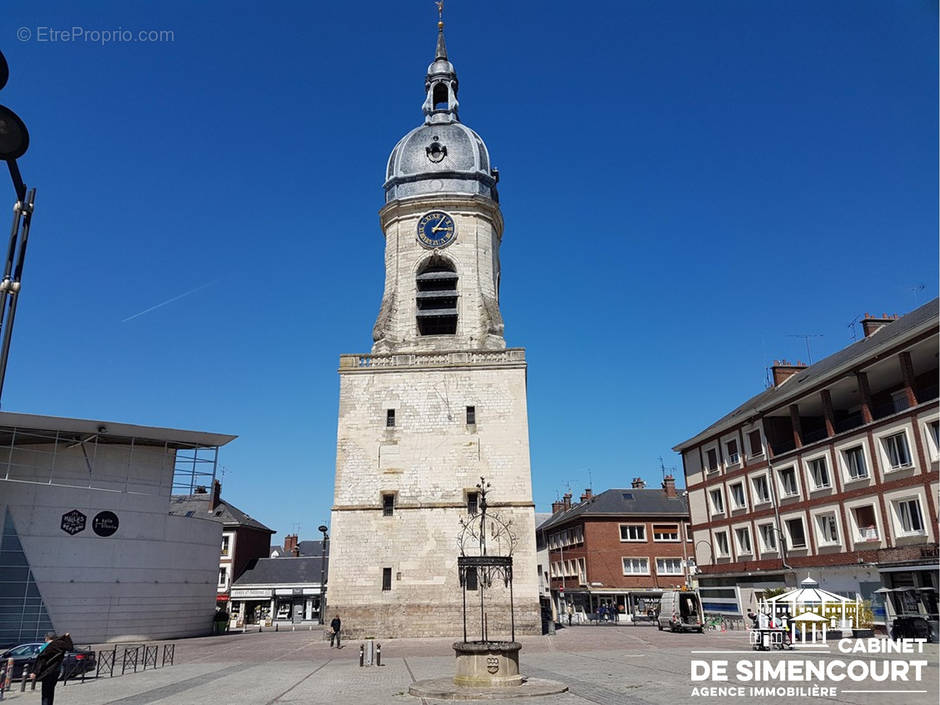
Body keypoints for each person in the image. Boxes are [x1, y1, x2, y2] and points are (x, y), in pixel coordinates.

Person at [30, 631, 73, 705]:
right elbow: (70, 647)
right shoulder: (60, 645)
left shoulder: (45, 646)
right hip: (56, 670)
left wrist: (35, 672)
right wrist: (67, 637)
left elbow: (41, 660)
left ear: (47, 638)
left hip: (47, 672)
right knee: (51, 691)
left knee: (45, 693)